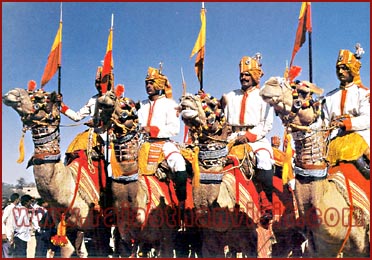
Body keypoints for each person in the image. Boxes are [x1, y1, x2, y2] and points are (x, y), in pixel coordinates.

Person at [221, 54, 275, 225]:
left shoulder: (264, 96)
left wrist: (249, 136)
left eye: (247, 75)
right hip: (232, 137)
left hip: (256, 139)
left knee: (264, 160)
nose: (243, 77)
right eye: (242, 74)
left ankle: (267, 206)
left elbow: (266, 125)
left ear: (255, 76)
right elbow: (221, 117)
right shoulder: (229, 95)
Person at [137, 66, 188, 204]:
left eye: (151, 82)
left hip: (164, 144)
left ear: (159, 84)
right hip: (143, 144)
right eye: (147, 83)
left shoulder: (170, 104)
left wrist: (152, 130)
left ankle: (182, 204)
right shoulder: (141, 105)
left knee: (179, 163)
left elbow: (174, 129)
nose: (148, 85)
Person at [322, 47, 370, 178]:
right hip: (335, 138)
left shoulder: (363, 93)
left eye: (344, 68)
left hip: (359, 134)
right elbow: (324, 123)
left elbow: (367, 119)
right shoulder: (329, 97)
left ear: (352, 70)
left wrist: (346, 123)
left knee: (348, 150)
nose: (340, 71)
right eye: (338, 68)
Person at [2, 193, 20, 258]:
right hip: (7, 236)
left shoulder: (14, 208)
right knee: (8, 255)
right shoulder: (10, 208)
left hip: (10, 235)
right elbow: (3, 221)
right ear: (17, 199)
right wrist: (4, 233)